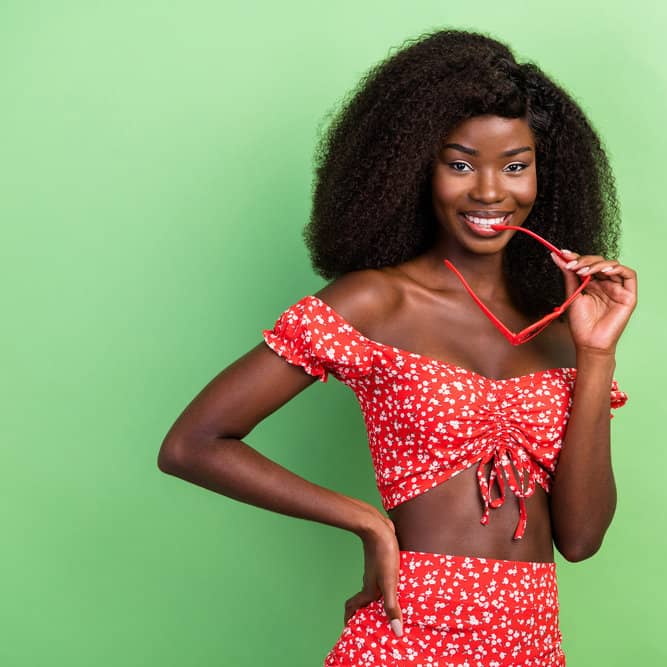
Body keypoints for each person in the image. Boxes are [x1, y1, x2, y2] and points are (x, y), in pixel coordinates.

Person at [158, 29, 637, 666]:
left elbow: (580, 538)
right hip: (408, 632)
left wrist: (597, 353)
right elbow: (192, 444)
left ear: (544, 177)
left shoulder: (563, 331)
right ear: (416, 164)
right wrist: (365, 519)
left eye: (515, 165)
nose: (490, 191)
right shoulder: (376, 303)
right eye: (460, 163)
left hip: (529, 642)